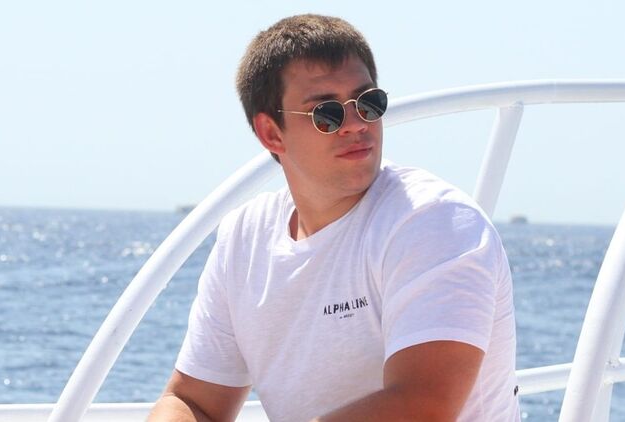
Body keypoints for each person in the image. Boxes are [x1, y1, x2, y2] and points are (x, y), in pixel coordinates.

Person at [149, 14, 520, 422]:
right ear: (272, 133)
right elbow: (193, 400)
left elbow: (422, 407)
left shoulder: (435, 221)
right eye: (327, 113)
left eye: (368, 103)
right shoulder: (244, 238)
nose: (356, 124)